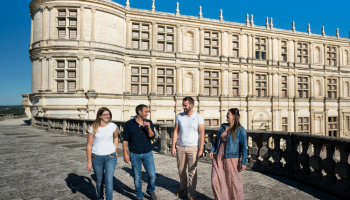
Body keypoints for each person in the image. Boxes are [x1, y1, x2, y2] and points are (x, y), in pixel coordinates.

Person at [209, 108, 248, 200]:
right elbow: (217, 140)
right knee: (215, 180)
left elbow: (243, 146)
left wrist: (244, 162)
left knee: (233, 182)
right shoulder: (223, 126)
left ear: (234, 116)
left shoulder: (241, 130)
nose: (226, 115)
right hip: (219, 156)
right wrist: (212, 149)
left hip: (232, 158)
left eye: (228, 114)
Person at [171, 97, 205, 200]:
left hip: (193, 147)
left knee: (192, 172)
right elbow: (176, 131)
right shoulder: (179, 116)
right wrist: (173, 147)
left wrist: (201, 149)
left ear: (191, 105)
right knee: (181, 170)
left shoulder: (198, 117)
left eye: (185, 105)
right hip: (180, 147)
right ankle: (183, 186)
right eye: (183, 105)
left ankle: (191, 194)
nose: (183, 107)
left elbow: (202, 133)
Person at [123, 104, 157, 200]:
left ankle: (150, 190)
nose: (147, 113)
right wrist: (125, 154)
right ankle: (139, 195)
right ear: (139, 112)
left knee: (152, 175)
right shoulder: (129, 124)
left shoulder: (149, 122)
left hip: (148, 153)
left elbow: (152, 136)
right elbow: (125, 140)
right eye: (146, 111)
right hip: (134, 154)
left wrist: (149, 128)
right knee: (137, 177)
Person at [86, 107, 118, 200]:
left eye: (109, 114)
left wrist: (115, 149)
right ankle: (100, 198)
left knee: (109, 181)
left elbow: (116, 137)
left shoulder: (113, 126)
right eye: (105, 115)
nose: (107, 116)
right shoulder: (93, 128)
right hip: (96, 157)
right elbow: (89, 146)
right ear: (99, 116)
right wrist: (89, 162)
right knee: (99, 181)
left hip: (111, 157)